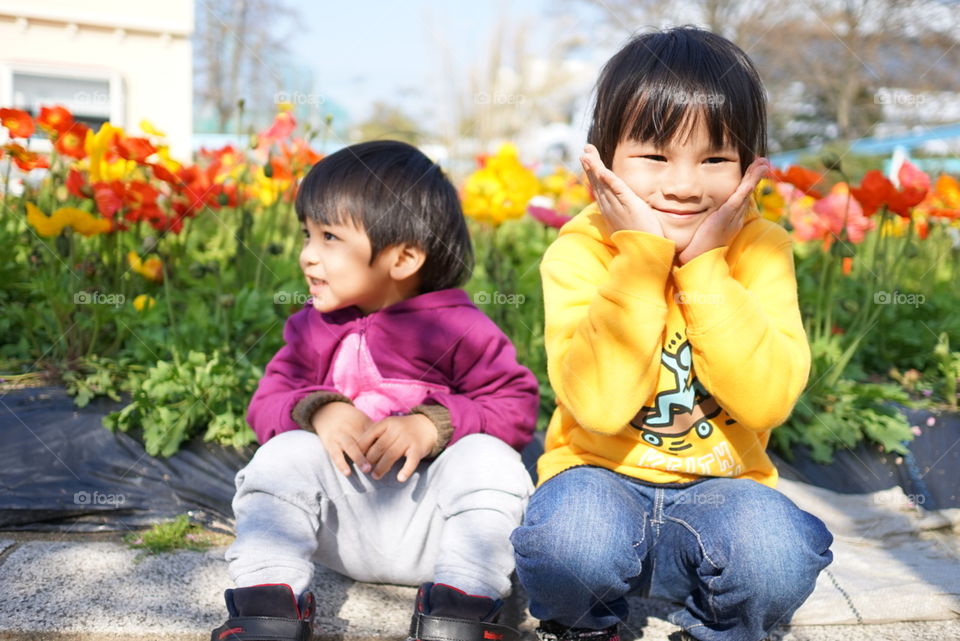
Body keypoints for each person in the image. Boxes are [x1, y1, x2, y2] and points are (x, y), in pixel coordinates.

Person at [510, 26, 834, 641]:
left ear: (750, 166)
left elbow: (767, 400)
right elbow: (600, 409)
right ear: (600, 163)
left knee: (778, 554)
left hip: (725, 489)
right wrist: (642, 258)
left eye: (714, 158)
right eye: (655, 157)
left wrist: (705, 267)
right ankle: (584, 626)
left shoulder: (759, 251)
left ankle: (717, 627)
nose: (684, 186)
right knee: (566, 542)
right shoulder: (581, 252)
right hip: (597, 479)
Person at [211, 140, 539, 641]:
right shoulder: (310, 329)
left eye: (329, 238)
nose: (307, 256)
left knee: (490, 460)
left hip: (441, 532)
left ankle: (462, 609)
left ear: (404, 257)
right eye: (307, 235)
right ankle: (268, 602)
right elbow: (267, 401)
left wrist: (433, 424)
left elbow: (514, 405)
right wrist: (318, 410)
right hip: (341, 526)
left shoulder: (458, 328)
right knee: (282, 455)